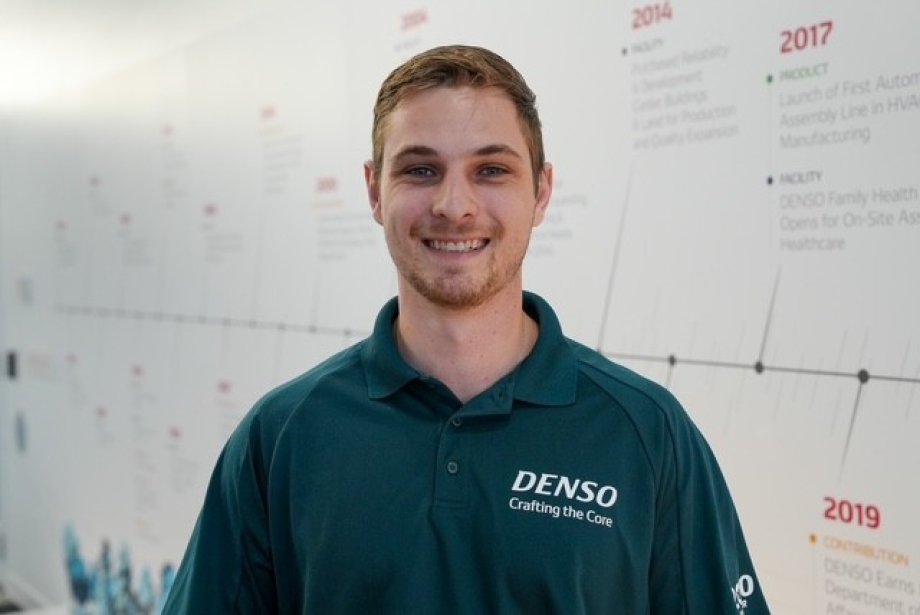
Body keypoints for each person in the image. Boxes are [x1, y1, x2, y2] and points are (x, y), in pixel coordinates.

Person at [163, 44, 770, 614]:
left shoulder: (646, 433)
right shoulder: (284, 436)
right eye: (422, 170)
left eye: (492, 170)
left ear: (542, 192)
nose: (455, 204)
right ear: (375, 192)